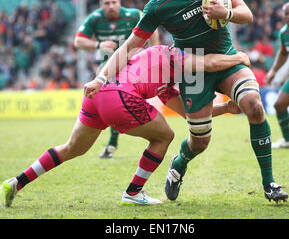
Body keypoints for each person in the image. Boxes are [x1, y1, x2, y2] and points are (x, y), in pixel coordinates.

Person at [83, 0, 288, 203]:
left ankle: (269, 183)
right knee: (200, 141)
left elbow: (246, 14)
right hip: (192, 70)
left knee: (254, 105)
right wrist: (101, 77)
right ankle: (179, 163)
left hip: (226, 57)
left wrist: (224, 13)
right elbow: (130, 46)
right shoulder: (157, 5)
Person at [0, 45, 248, 207]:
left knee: (73, 148)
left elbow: (189, 114)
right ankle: (133, 192)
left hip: (98, 94)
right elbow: (210, 63)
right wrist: (239, 57)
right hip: (120, 95)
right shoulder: (172, 54)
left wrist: (225, 109)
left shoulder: (162, 79)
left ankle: (16, 182)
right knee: (165, 136)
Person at [74, 0, 159, 159]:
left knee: (120, 100)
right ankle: (112, 143)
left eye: (114, 2)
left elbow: (153, 27)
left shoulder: (134, 14)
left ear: (120, 2)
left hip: (134, 65)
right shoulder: (95, 18)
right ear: (101, 5)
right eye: (107, 3)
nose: (111, 6)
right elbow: (78, 41)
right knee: (114, 101)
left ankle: (115, 143)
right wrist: (98, 45)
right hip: (108, 69)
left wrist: (154, 50)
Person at [265, 2, 289, 149]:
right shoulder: (284, 33)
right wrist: (273, 71)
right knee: (279, 105)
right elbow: (283, 53)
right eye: (287, 14)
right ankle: (287, 140)